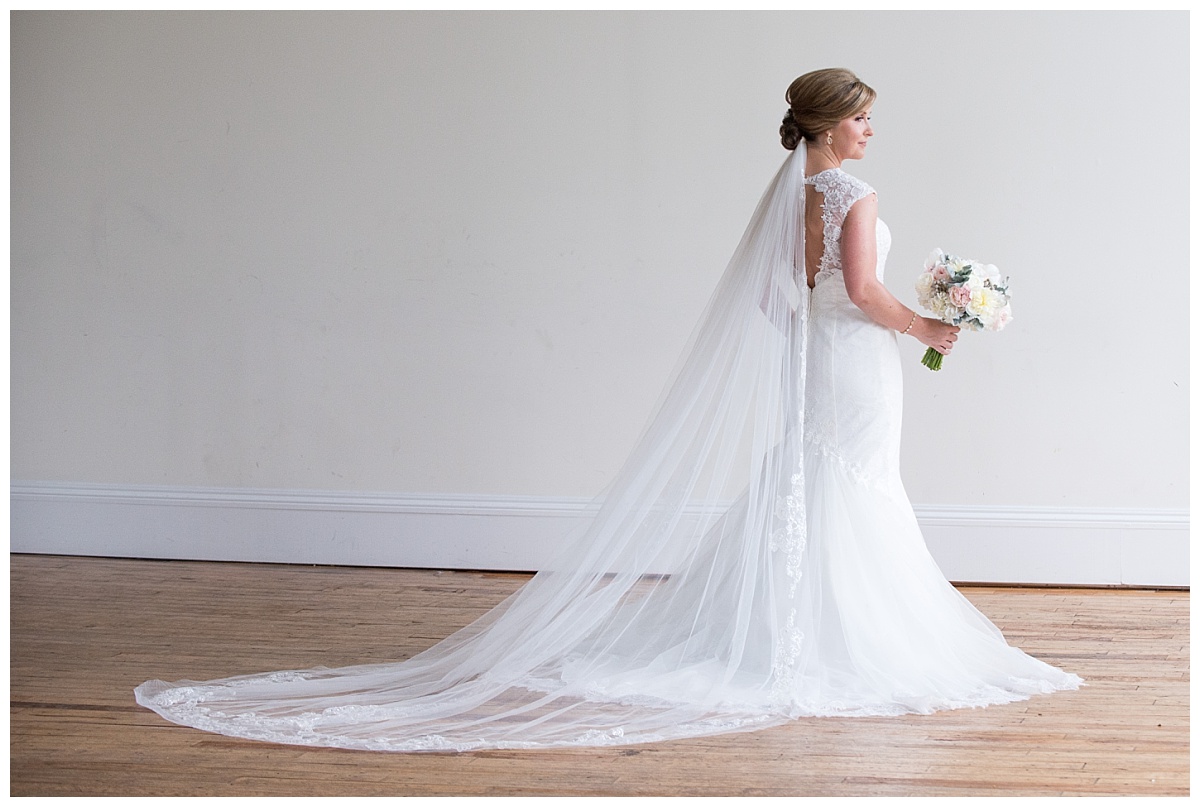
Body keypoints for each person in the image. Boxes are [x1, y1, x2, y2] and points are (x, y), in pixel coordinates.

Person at [136, 68, 1081, 752]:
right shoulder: (853, 192)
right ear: (832, 128)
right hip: (857, 362)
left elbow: (770, 302)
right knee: (857, 484)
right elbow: (870, 293)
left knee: (806, 478)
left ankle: (772, 629)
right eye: (864, 118)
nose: (873, 131)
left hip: (811, 362)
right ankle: (846, 640)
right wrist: (930, 322)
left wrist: (841, 320)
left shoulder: (789, 193)